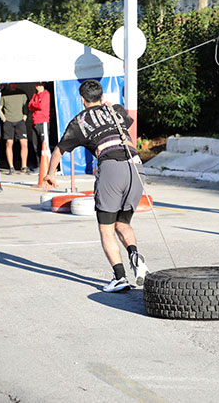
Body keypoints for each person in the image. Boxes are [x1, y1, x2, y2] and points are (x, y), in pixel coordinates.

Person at [43, 79, 149, 293]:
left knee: (106, 228)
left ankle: (120, 278)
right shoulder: (115, 110)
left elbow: (59, 150)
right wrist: (109, 107)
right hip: (137, 168)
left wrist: (50, 174)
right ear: (102, 96)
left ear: (82, 100)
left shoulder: (79, 121)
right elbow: (124, 125)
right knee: (123, 224)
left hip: (111, 169)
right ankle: (136, 258)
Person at [0, 83, 29, 174]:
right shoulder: (4, 94)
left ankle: (24, 167)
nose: (13, 85)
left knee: (24, 143)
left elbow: (27, 106)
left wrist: (24, 116)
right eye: (12, 84)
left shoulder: (22, 93)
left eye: (15, 84)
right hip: (8, 121)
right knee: (9, 143)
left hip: (20, 121)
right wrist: (4, 119)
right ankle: (11, 167)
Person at [28, 82, 50, 172]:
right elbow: (30, 106)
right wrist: (35, 103)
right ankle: (39, 165)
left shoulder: (46, 94)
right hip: (35, 121)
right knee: (35, 144)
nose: (38, 87)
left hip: (43, 121)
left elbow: (41, 106)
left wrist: (35, 104)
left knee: (44, 143)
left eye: (40, 85)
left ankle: (47, 165)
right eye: (37, 85)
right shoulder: (35, 94)